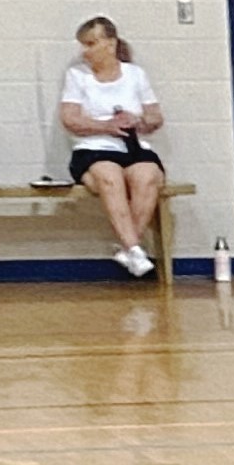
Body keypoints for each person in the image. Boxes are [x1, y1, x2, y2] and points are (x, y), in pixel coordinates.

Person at [58, 17, 167, 279]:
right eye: (83, 45)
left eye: (92, 43)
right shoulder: (77, 76)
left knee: (147, 176)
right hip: (93, 147)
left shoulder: (135, 74)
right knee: (110, 176)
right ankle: (134, 248)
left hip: (132, 145)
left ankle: (130, 249)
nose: (86, 51)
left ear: (110, 44)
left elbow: (155, 117)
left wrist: (138, 120)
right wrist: (105, 126)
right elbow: (70, 119)